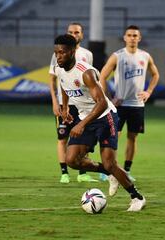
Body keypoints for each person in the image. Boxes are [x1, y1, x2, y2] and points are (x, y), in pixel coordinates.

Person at [54, 34, 146, 211]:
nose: (58, 56)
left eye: (62, 53)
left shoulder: (86, 73)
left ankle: (137, 197)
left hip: (105, 117)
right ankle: (108, 173)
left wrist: (81, 125)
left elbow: (102, 102)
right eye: (56, 53)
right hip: (85, 118)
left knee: (110, 162)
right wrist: (65, 108)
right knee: (72, 160)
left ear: (72, 52)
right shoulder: (59, 68)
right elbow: (64, 86)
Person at [99, 25, 160, 181]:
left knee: (132, 138)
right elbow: (102, 77)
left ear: (139, 38)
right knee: (113, 137)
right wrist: (109, 98)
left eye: (135, 35)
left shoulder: (145, 56)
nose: (132, 38)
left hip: (137, 105)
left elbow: (155, 75)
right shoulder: (117, 56)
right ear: (124, 38)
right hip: (119, 105)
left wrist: (149, 92)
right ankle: (107, 168)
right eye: (129, 35)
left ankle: (126, 170)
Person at [49, 23, 97, 183]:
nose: (74, 34)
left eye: (76, 32)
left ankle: (83, 173)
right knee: (62, 138)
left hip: (82, 104)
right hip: (66, 103)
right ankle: (64, 173)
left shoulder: (87, 55)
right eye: (70, 32)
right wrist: (57, 102)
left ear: (82, 35)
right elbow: (54, 78)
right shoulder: (59, 53)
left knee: (83, 136)